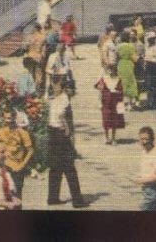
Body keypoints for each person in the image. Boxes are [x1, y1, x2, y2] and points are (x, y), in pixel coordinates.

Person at [47, 77, 87, 207]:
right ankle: (75, 200)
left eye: (56, 85)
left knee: (60, 168)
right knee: (65, 168)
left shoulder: (60, 99)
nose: (54, 87)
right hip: (57, 135)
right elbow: (59, 116)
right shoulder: (60, 98)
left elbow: (63, 119)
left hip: (56, 135)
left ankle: (55, 198)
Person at [0, 109, 34, 197]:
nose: (7, 121)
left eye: (9, 118)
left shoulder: (22, 133)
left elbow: (30, 150)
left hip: (17, 168)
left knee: (17, 195)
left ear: (14, 118)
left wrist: (23, 164)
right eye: (5, 118)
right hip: (5, 167)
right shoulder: (0, 132)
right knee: (4, 195)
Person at [133, 126, 156, 211]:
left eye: (146, 139)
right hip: (147, 190)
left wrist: (142, 180)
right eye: (141, 139)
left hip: (153, 191)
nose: (144, 142)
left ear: (152, 139)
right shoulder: (144, 151)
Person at [95, 65, 125, 145]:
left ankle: (113, 138)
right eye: (109, 70)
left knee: (114, 121)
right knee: (106, 120)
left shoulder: (118, 79)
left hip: (114, 103)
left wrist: (118, 93)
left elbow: (121, 91)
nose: (111, 72)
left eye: (112, 70)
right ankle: (106, 137)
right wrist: (99, 103)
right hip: (105, 103)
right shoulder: (104, 79)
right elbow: (100, 91)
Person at [116, 30, 140, 110]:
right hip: (128, 65)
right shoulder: (130, 46)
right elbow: (135, 59)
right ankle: (130, 104)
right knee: (130, 83)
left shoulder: (118, 46)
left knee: (122, 84)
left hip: (121, 65)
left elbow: (117, 57)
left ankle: (123, 104)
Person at [143, 33, 156, 110]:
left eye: (151, 39)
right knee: (149, 85)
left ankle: (155, 104)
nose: (150, 40)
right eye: (149, 39)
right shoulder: (148, 47)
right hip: (148, 67)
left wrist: (148, 59)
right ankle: (149, 103)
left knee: (155, 86)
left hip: (155, 68)